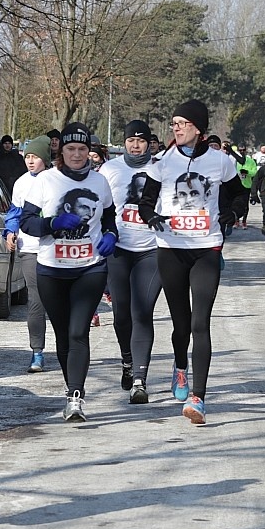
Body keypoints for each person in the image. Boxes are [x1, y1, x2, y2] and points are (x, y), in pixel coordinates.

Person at [137, 99, 237, 424]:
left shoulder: (221, 162)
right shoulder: (162, 162)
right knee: (181, 325)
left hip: (207, 248)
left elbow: (238, 194)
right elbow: (146, 200)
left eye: (182, 124)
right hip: (171, 249)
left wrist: (232, 212)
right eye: (174, 124)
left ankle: (199, 397)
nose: (176, 129)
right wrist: (150, 215)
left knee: (200, 323)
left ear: (198, 128)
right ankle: (180, 367)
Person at [20, 122, 118, 422]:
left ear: (90, 152)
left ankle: (75, 396)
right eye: (71, 149)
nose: (77, 154)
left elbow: (110, 218)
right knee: (63, 335)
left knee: (79, 332)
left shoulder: (100, 182)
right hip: (51, 269)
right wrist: (51, 225)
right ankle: (70, 385)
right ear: (61, 151)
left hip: (90, 269)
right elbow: (26, 222)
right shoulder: (45, 181)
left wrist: (111, 236)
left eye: (82, 149)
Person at [99, 120, 163, 403]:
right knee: (121, 313)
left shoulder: (161, 168)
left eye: (141, 140)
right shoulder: (110, 170)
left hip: (152, 250)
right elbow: (99, 208)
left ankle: (140, 378)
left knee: (142, 312)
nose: (136, 145)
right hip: (119, 250)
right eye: (130, 140)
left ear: (150, 143)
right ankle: (127, 360)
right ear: (123, 142)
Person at [4, 136, 52, 374]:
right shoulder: (21, 183)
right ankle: (38, 351)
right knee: (35, 299)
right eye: (28, 156)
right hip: (30, 247)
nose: (30, 161)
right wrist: (10, 231)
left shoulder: (56, 179)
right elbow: (14, 212)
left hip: (55, 248)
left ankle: (70, 348)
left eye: (35, 157)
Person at [223, 141, 256, 230]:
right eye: (240, 150)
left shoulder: (248, 160)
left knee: (244, 204)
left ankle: (244, 221)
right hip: (233, 184)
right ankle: (234, 221)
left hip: (246, 184)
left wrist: (247, 172)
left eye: (243, 150)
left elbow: (253, 171)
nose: (241, 151)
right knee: (231, 203)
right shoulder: (227, 158)